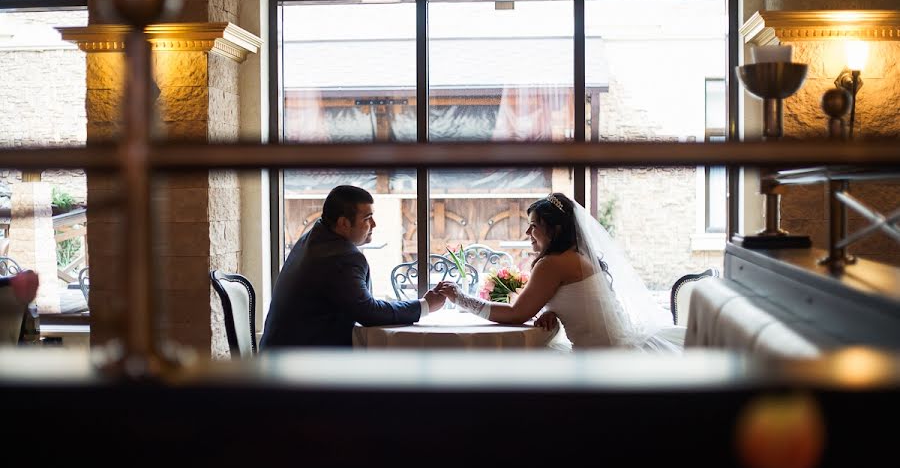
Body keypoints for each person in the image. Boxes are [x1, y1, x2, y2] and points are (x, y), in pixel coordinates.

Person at [437, 193, 684, 352]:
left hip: (603, 361)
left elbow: (515, 314)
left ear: (554, 230)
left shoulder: (552, 264)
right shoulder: (578, 256)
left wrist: (460, 298)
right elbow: (581, 301)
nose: (527, 234)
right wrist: (549, 310)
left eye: (533, 226)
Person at [261, 185, 445, 348]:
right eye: (367, 218)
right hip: (303, 367)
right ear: (343, 223)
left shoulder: (313, 237)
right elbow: (368, 312)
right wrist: (424, 306)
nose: (374, 224)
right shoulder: (343, 257)